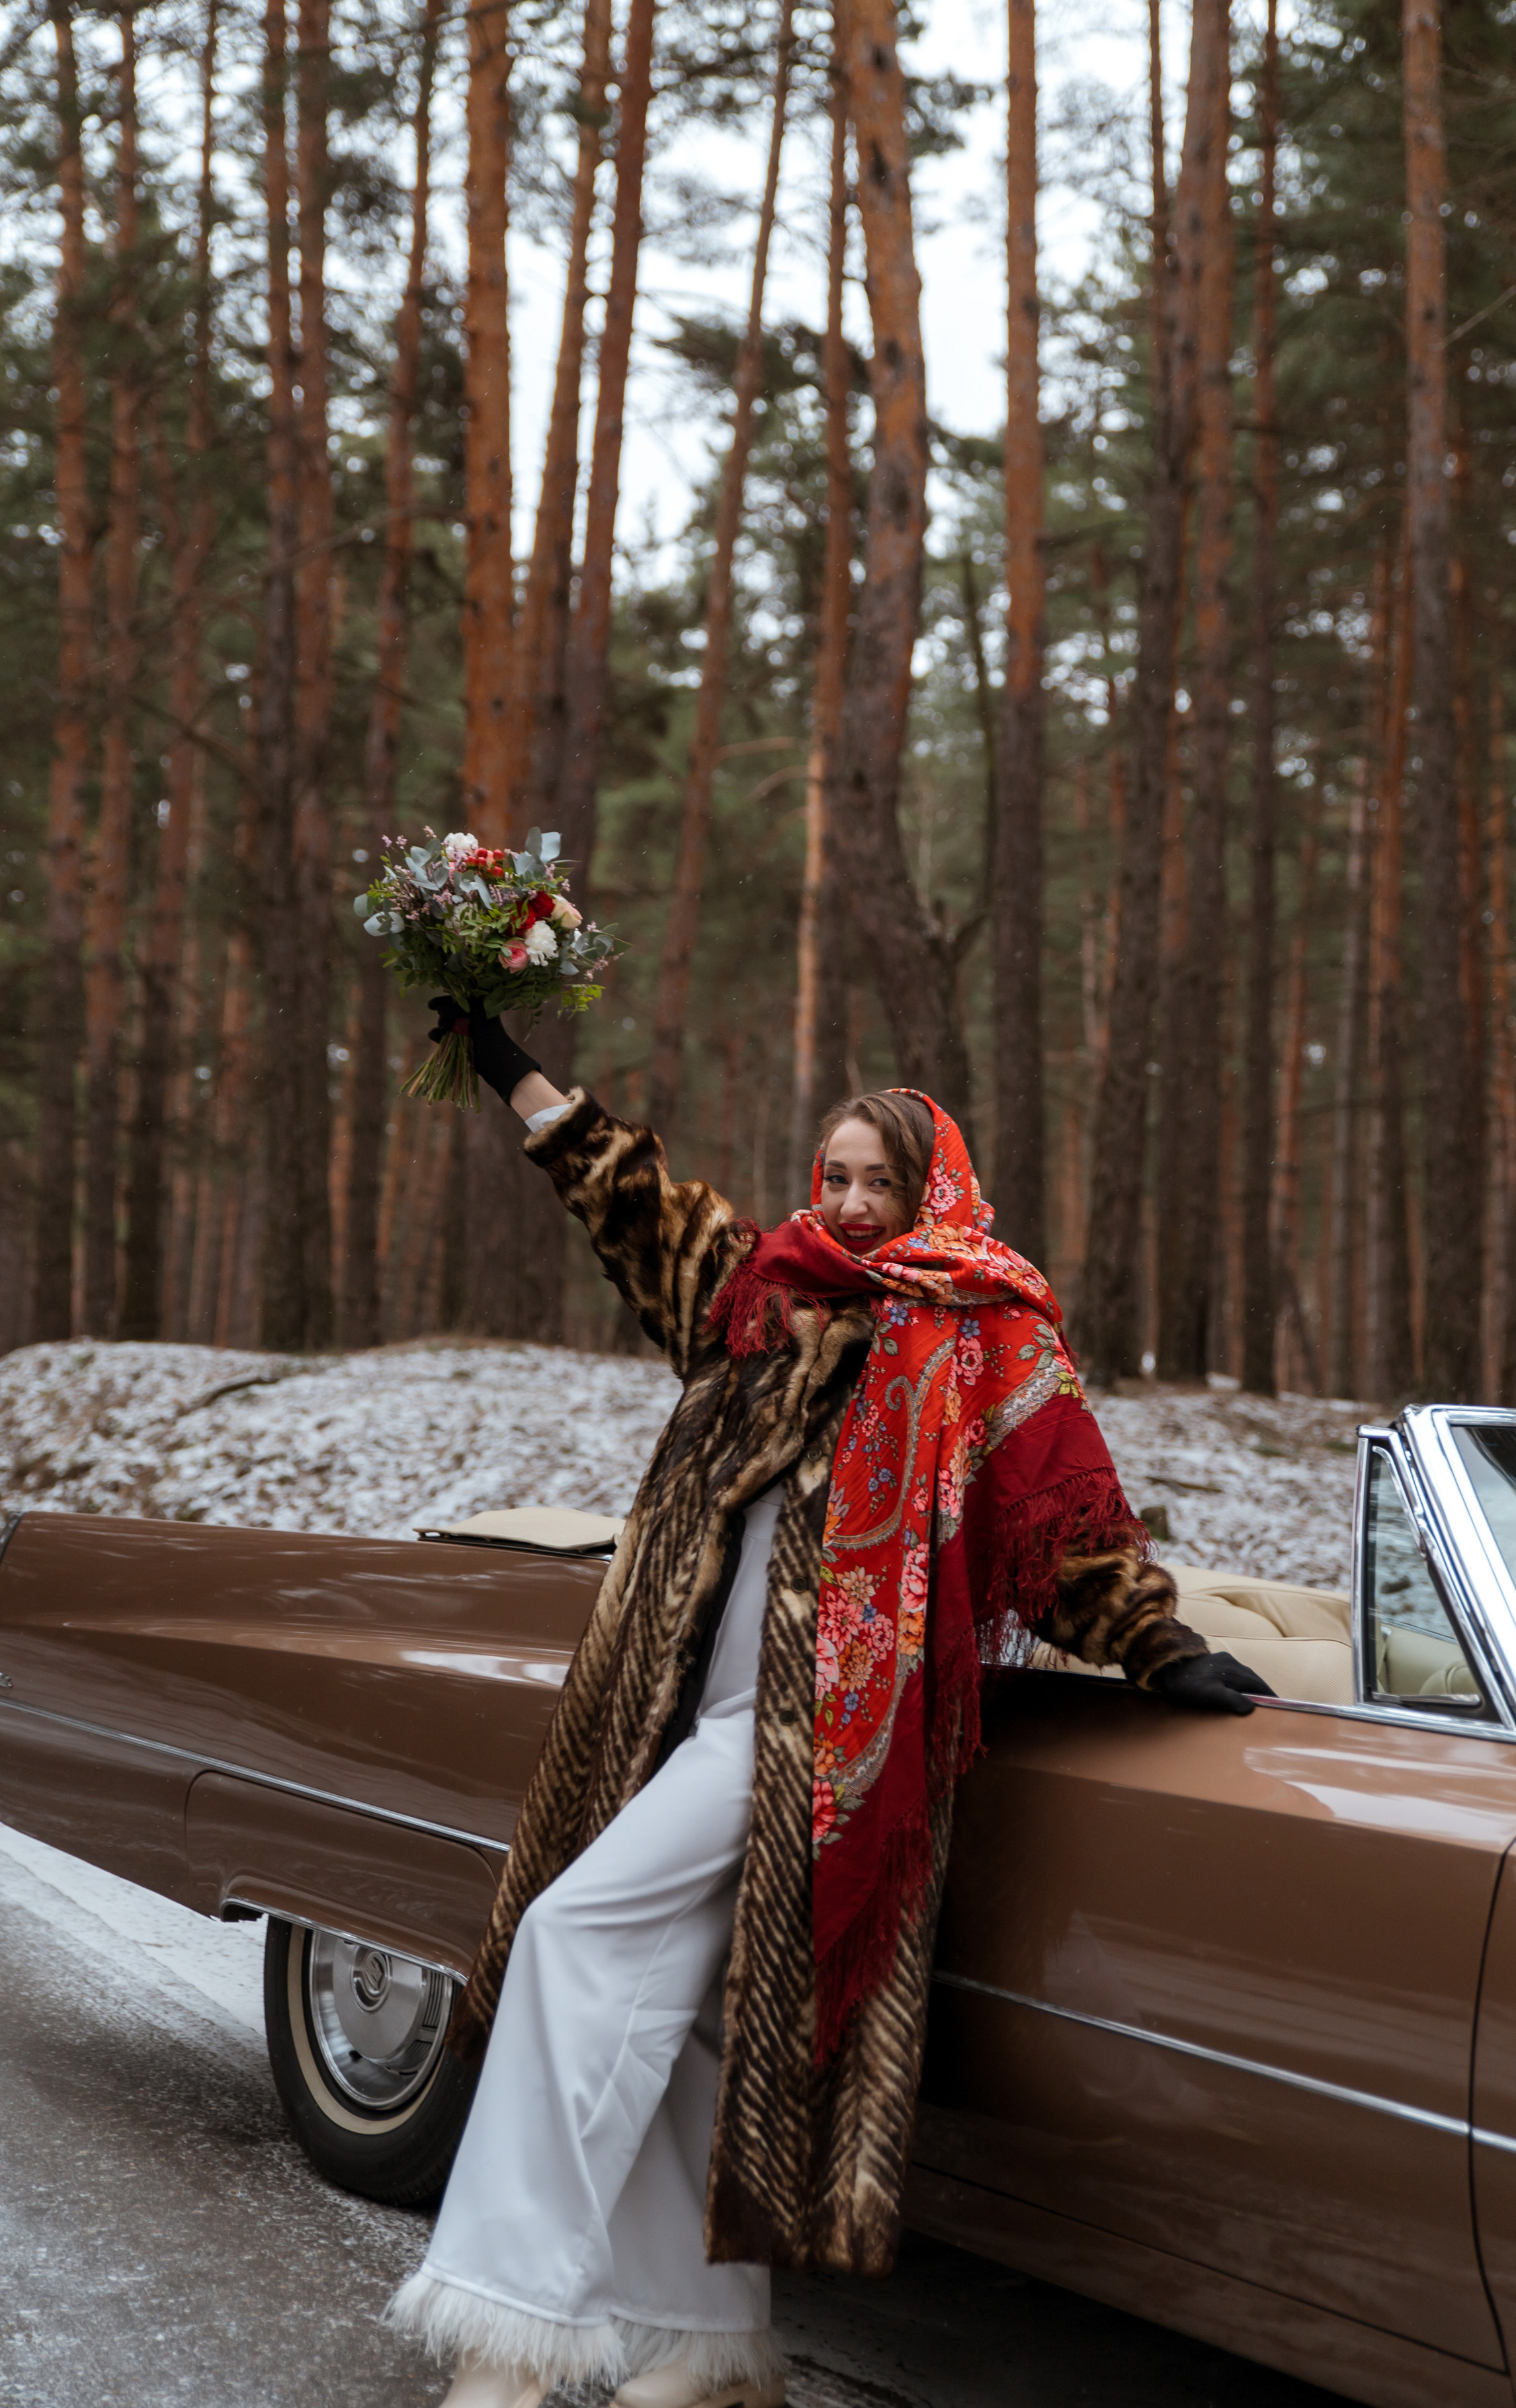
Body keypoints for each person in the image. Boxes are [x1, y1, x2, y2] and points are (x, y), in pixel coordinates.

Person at [387, 1005, 1270, 2408]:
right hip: (684, 1710)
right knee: (683, 2015)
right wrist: (509, 1067)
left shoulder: (984, 1333)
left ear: (933, 1187)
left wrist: (1153, 1643)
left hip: (819, 1736)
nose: (851, 1204)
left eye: (880, 1181)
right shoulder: (762, 1294)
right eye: (835, 1175)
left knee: (573, 1938)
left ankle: (509, 2334)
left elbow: (1061, 1517)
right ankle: (705, 2348)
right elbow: (627, 1198)